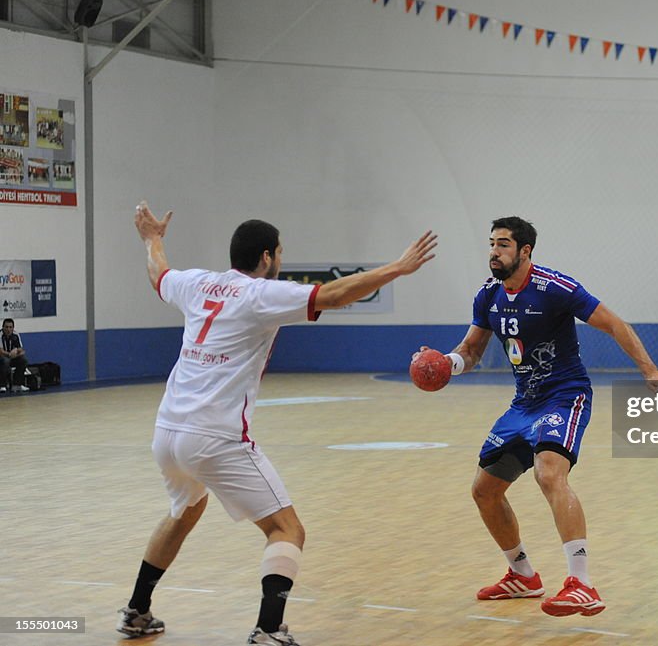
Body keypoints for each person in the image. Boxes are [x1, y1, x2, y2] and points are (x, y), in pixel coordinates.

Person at [120, 201, 436, 645]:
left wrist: (152, 238)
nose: (281, 261)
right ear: (266, 257)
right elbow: (333, 294)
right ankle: (269, 630)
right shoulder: (260, 294)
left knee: (186, 508)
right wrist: (397, 268)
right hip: (215, 437)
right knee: (287, 529)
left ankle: (137, 611)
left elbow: (159, 275)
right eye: (280, 253)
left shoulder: (196, 284)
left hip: (167, 432)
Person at [417, 216, 658, 617]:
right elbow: (471, 350)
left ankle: (583, 584)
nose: (494, 251)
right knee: (484, 491)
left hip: (564, 396)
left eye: (503, 244)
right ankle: (523, 576)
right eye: (492, 243)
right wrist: (444, 365)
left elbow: (614, 323)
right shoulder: (488, 295)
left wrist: (648, 369)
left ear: (525, 252)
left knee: (548, 472)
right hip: (523, 403)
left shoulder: (555, 287)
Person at [0, 318, 29, 392]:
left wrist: (16, 351)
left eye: (10, 327)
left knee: (23, 360)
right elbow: (0, 351)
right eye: (6, 327)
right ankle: (2, 385)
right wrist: (9, 354)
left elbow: (21, 350)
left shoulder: (16, 335)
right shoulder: (0, 335)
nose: (8, 329)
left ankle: (17, 385)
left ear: (13, 328)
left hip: (12, 357)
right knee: (5, 361)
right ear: (3, 327)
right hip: (2, 357)